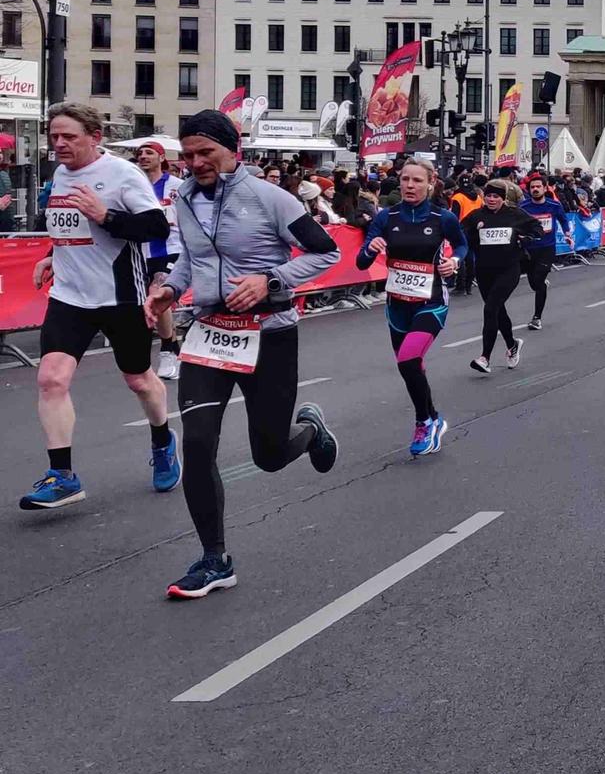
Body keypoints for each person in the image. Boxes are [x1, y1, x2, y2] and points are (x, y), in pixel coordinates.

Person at [144, 112, 341, 598]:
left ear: (234, 149)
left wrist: (270, 281)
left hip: (268, 334)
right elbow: (193, 258)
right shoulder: (184, 198)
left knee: (269, 455)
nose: (195, 163)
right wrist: (171, 288)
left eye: (205, 153)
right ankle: (215, 559)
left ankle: (310, 429)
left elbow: (326, 252)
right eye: (187, 155)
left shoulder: (271, 197)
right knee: (196, 443)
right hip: (209, 334)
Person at [19, 104, 178, 511]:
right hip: (70, 297)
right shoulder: (59, 175)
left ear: (95, 136)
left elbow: (156, 228)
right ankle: (63, 476)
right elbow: (70, 228)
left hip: (119, 296)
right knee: (51, 379)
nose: (59, 144)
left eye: (69, 136)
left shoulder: (123, 175)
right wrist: (53, 255)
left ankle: (162, 440)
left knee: (139, 380)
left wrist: (106, 215)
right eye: (54, 136)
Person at [356, 162, 466, 456]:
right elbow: (361, 263)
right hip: (397, 305)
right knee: (410, 367)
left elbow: (463, 246)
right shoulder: (385, 217)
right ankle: (433, 417)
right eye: (405, 179)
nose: (409, 185)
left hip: (431, 302)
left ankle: (423, 422)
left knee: (408, 359)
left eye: (417, 180)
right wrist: (370, 249)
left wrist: (453, 261)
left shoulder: (443, 218)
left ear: (431, 183)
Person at [460, 178, 539, 374]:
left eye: (496, 196)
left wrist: (526, 238)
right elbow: (461, 235)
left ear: (503, 199)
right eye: (488, 196)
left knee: (490, 309)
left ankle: (484, 357)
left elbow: (536, 228)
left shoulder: (514, 214)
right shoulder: (476, 216)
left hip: (509, 269)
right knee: (497, 311)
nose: (491, 200)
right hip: (485, 271)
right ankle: (512, 345)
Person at [132, 139, 185, 381]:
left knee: (157, 294)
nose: (143, 156)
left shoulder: (178, 186)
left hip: (171, 250)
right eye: (140, 153)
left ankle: (166, 350)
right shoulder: (132, 186)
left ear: (161, 158)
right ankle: (174, 345)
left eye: (149, 152)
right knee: (142, 302)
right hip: (141, 252)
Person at [519, 171, 562, 330]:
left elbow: (564, 221)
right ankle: (541, 283)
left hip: (547, 248)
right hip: (529, 250)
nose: (535, 189)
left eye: (538, 186)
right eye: (532, 187)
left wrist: (568, 234)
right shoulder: (523, 207)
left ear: (545, 188)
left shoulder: (554, 205)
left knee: (538, 281)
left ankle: (537, 318)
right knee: (534, 282)